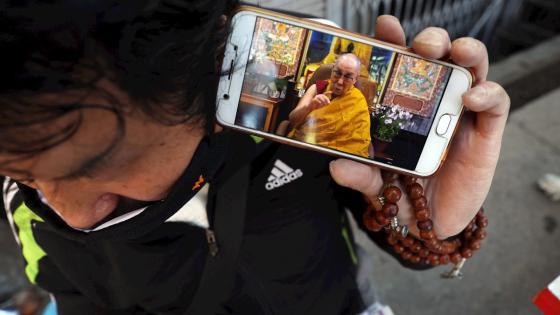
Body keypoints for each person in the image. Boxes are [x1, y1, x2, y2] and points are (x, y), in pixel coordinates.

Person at [0, 1, 511, 314]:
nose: (69, 215)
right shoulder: (32, 208)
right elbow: (78, 299)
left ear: (194, 81)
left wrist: (429, 220)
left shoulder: (287, 85)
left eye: (91, 166)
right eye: (21, 174)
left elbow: (398, 234)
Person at [289, 53, 372, 157]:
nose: (340, 81)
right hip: (303, 149)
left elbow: (358, 143)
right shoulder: (316, 89)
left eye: (348, 77)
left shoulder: (358, 102)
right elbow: (292, 120)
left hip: (334, 159)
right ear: (332, 69)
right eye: (337, 73)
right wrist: (310, 106)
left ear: (355, 79)